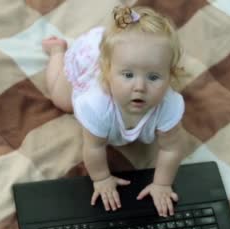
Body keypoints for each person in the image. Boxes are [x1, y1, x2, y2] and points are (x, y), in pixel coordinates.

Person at [41, 5, 186, 217]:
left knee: (136, 64)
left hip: (118, 56)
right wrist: (101, 179)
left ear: (170, 75)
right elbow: (94, 147)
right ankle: (57, 52)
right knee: (61, 99)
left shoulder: (168, 105)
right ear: (107, 73)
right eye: (128, 75)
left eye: (153, 77)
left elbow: (171, 149)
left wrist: (162, 184)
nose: (140, 87)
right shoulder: (97, 105)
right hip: (89, 59)